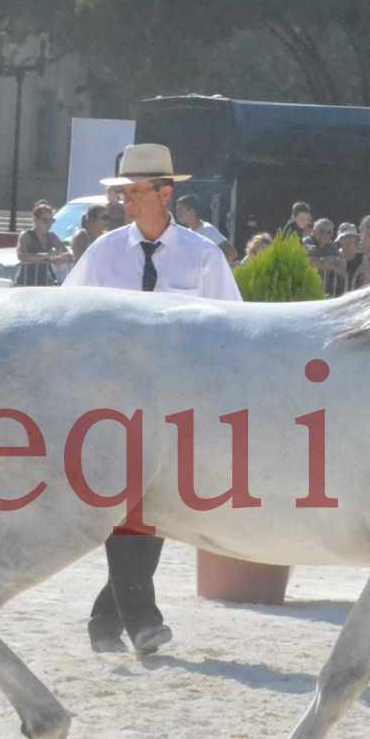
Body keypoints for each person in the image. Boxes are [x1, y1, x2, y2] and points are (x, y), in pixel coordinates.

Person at [63, 143, 243, 656]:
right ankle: (142, 619)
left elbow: (231, 326)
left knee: (153, 508)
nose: (126, 201)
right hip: (112, 401)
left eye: (135, 192)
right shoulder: (101, 254)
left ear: (165, 193)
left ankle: (107, 619)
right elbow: (67, 314)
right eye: (122, 192)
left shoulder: (203, 256)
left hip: (179, 404)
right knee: (134, 506)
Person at [15, 200, 72, 287]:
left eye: (51, 220)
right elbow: (22, 256)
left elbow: (67, 254)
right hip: (25, 282)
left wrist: (58, 258)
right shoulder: (26, 235)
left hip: (42, 282)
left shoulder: (51, 236)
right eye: (45, 220)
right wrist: (46, 255)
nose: (49, 224)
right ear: (35, 220)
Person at [175, 192, 238, 265]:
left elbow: (232, 253)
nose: (177, 213)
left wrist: (209, 266)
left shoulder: (207, 229)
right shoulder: (188, 233)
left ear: (192, 211)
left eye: (180, 210)